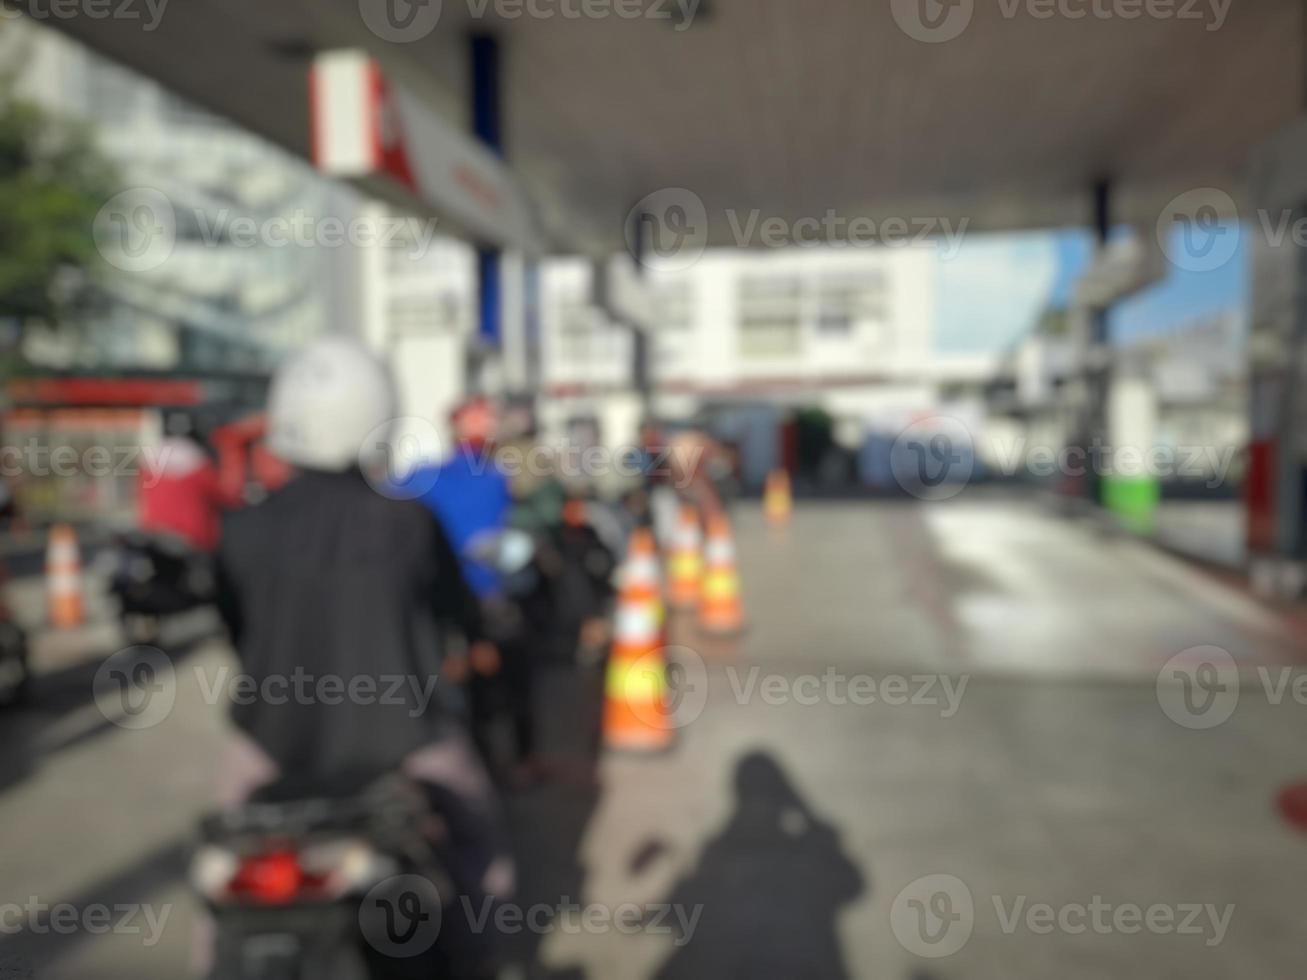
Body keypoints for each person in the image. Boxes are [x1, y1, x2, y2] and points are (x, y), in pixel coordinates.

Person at [211, 337, 511, 967]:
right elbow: (459, 613)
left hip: (272, 745)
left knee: (219, 879)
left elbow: (237, 634)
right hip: (408, 742)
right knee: (480, 844)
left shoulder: (241, 529)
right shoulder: (409, 522)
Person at [138, 412, 231, 552]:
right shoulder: (200, 462)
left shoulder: (148, 464)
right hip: (192, 538)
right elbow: (224, 495)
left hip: (156, 535)